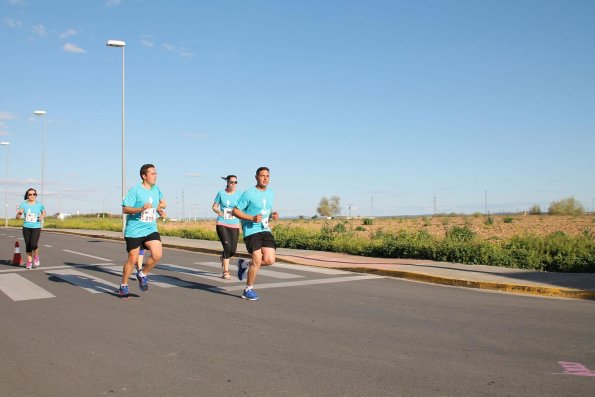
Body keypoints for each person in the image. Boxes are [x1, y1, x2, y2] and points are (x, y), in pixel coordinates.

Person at [118, 164, 167, 296]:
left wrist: (159, 209)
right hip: (134, 230)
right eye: (152, 173)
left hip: (150, 228)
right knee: (133, 259)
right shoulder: (135, 190)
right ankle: (124, 284)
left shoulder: (156, 189)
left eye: (156, 173)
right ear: (144, 176)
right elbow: (125, 209)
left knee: (157, 254)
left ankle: (142, 273)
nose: (155, 176)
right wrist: (141, 209)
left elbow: (162, 203)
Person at [232, 167, 279, 301]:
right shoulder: (249, 193)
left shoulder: (270, 193)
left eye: (267, 176)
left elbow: (265, 211)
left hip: (265, 229)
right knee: (257, 260)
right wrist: (251, 218)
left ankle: (244, 264)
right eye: (262, 175)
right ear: (256, 177)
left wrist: (272, 215)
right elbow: (235, 211)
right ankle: (248, 290)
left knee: (270, 260)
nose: (265, 178)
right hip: (251, 230)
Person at [212, 175, 242, 280]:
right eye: (231, 182)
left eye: (235, 182)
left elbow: (242, 209)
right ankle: (226, 271)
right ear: (227, 183)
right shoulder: (221, 193)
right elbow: (214, 206)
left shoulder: (239, 194)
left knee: (232, 250)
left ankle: (223, 257)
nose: (233, 184)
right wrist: (218, 211)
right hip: (222, 223)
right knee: (227, 247)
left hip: (234, 223)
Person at [16, 188, 46, 269]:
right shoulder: (23, 204)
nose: (32, 196)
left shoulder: (39, 205)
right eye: (30, 194)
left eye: (34, 194)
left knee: (33, 244)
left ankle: (36, 257)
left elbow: (44, 212)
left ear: (36, 195)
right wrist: (19, 213)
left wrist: (42, 216)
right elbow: (17, 217)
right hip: (26, 227)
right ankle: (29, 262)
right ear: (27, 195)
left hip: (36, 227)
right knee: (28, 246)